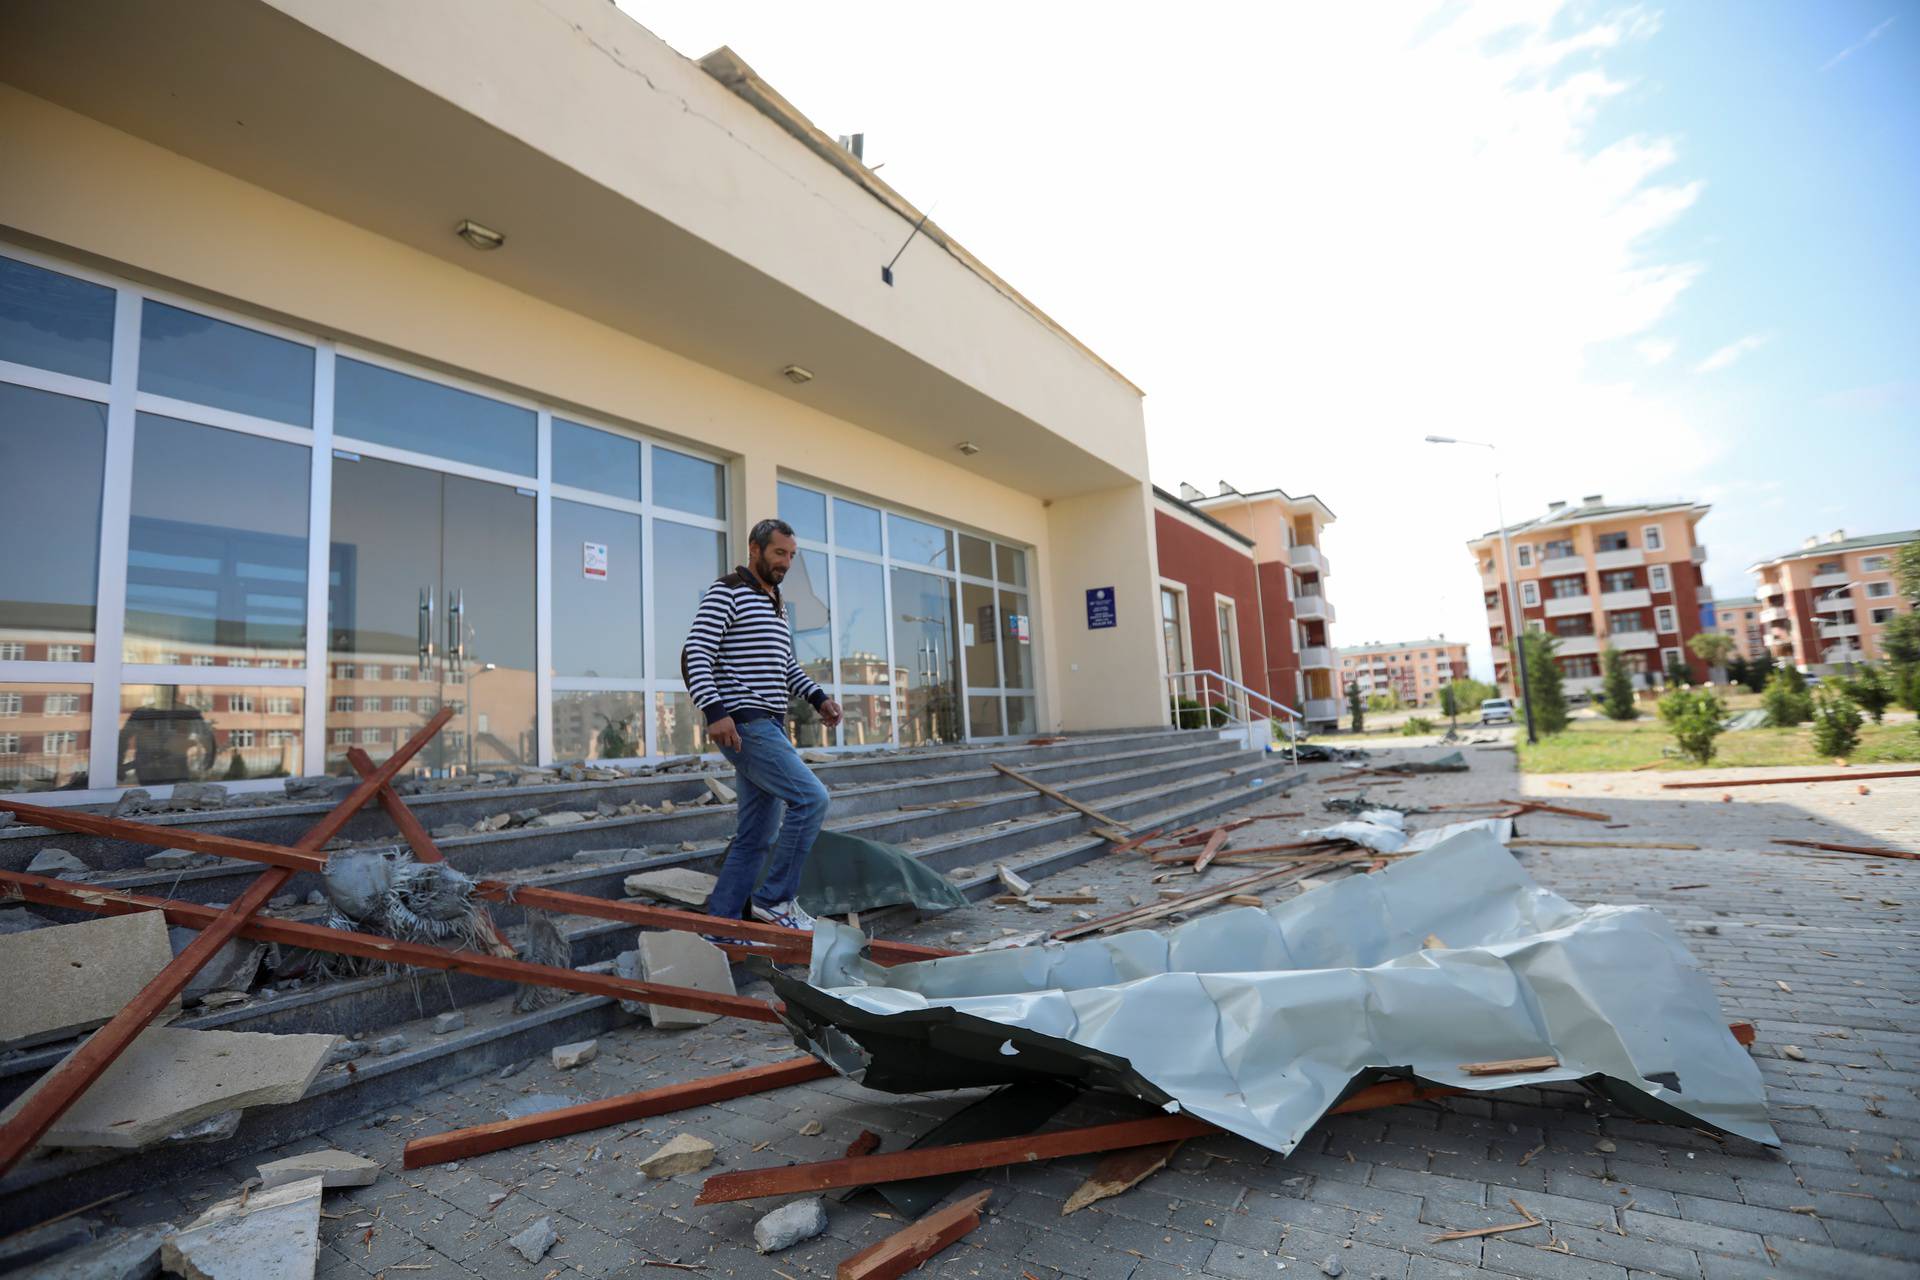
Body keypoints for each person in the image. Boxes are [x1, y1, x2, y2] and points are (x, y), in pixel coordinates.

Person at [682, 517, 843, 932]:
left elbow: (785, 665)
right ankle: (774, 900)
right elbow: (695, 653)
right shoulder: (727, 591)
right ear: (754, 549)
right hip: (745, 723)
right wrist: (714, 711)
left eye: (791, 555)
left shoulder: (774, 601)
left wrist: (818, 697)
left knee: (756, 835)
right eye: (778, 553)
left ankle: (722, 931)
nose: (786, 562)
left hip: (770, 721)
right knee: (812, 799)